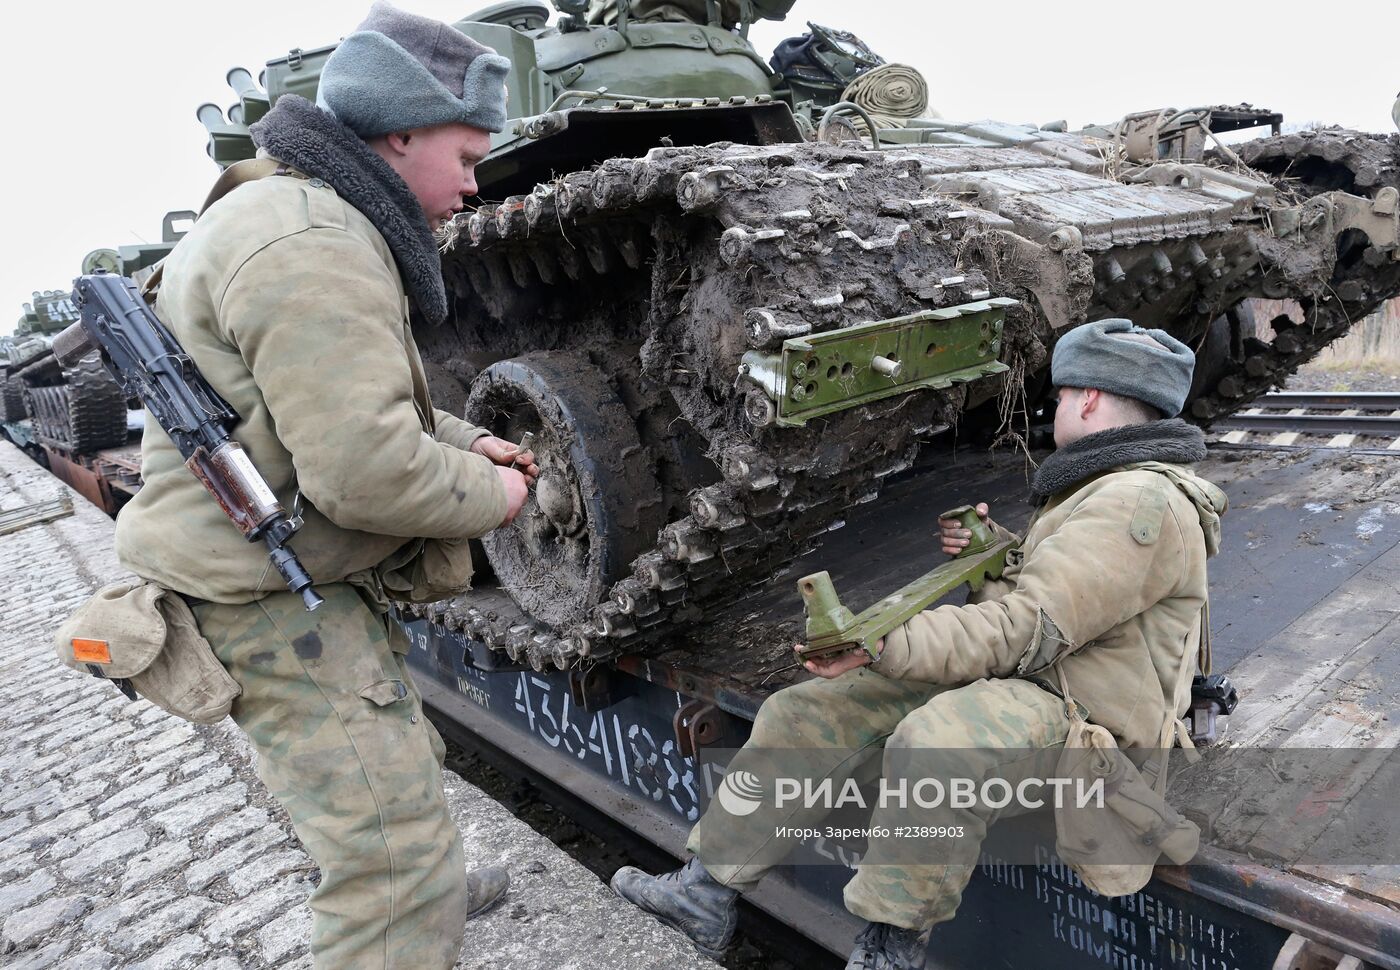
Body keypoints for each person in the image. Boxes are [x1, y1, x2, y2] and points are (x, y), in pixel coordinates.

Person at [112, 4, 533, 967]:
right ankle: (406, 895)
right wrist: (497, 498)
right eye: (467, 158)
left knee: (389, 750)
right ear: (401, 133)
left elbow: (327, 412)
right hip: (260, 591)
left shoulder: (298, 210)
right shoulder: (313, 244)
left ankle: (417, 864)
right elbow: (365, 473)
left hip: (277, 564)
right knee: (389, 862)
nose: (475, 184)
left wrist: (470, 442)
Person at [611, 319, 1229, 970]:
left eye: (1064, 390)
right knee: (811, 711)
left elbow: (1027, 630)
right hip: (1041, 682)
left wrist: (884, 643)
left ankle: (889, 952)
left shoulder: (1139, 503)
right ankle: (705, 895)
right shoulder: (1103, 485)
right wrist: (999, 560)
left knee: (939, 740)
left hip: (1084, 722)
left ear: (1091, 398)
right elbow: (1064, 606)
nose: (1059, 403)